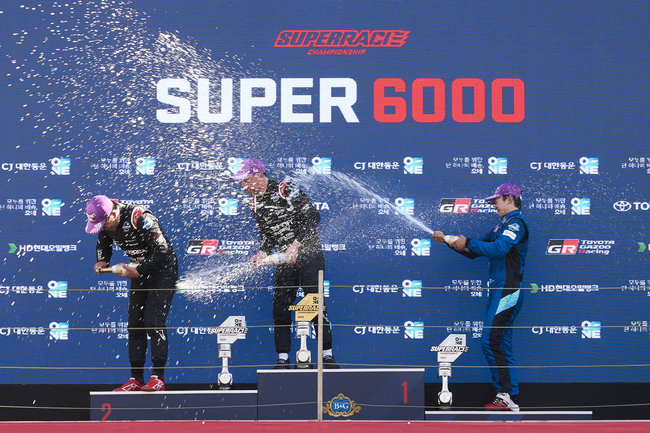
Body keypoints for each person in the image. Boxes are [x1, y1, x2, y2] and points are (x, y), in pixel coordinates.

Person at [231, 158, 338, 369]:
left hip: (309, 254)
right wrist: (262, 252)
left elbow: (313, 217)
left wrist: (296, 245)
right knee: (280, 307)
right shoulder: (254, 203)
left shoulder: (285, 189)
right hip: (285, 259)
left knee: (315, 304)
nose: (244, 186)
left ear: (260, 176)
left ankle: (327, 355)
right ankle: (283, 358)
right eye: (241, 182)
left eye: (246, 181)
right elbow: (267, 233)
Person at [433, 183, 529, 412]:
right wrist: (447, 239)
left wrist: (468, 242)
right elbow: (474, 250)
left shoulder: (516, 223)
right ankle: (510, 396)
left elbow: (497, 249)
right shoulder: (501, 225)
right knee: (500, 343)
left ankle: (505, 395)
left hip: (508, 290)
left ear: (509, 198)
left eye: (496, 200)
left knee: (490, 341)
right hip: (500, 290)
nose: (493, 204)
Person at [85, 195, 178, 391]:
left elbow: (162, 250)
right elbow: (103, 243)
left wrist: (140, 270)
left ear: (113, 214)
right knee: (135, 324)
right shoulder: (105, 224)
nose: (103, 228)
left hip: (163, 270)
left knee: (153, 321)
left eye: (104, 223)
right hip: (138, 269)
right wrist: (102, 260)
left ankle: (158, 377)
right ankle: (136, 378)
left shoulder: (139, 216)